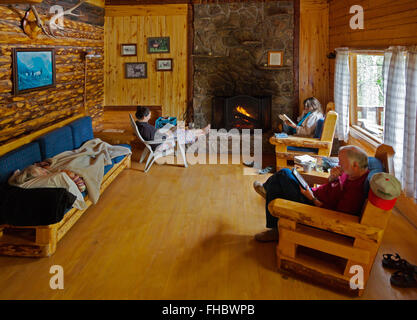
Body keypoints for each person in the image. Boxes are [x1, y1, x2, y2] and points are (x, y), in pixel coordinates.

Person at [252, 145, 370, 242]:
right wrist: (331, 179)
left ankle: (270, 202)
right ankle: (270, 197)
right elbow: (334, 188)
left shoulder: (356, 191)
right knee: (282, 179)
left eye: (341, 162)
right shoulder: (351, 173)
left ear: (355, 165)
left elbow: (338, 217)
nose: (338, 165)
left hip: (315, 209)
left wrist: (312, 198)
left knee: (284, 174)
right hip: (312, 194)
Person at [135, 106, 210, 152]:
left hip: (161, 139)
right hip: (161, 144)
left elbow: (154, 134)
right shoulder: (144, 128)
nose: (150, 117)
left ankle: (200, 133)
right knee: (180, 132)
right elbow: (155, 139)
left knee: (177, 129)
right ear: (144, 117)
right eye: (149, 115)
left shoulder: (142, 125)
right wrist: (167, 134)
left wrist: (166, 131)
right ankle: (200, 133)